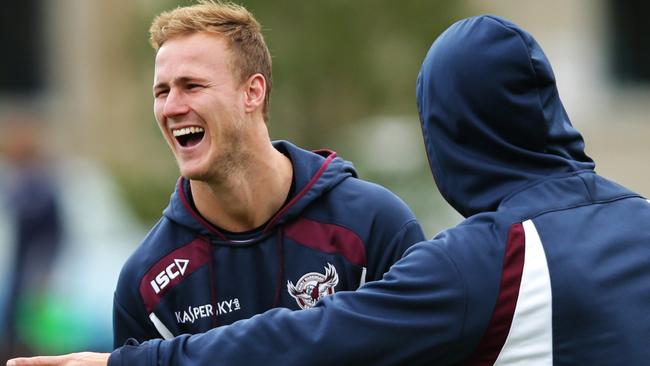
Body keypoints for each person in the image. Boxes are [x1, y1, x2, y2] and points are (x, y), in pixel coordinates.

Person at [10, 13, 650, 366]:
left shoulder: (470, 256)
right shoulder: (148, 280)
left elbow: (320, 338)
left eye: (193, 85)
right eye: (160, 89)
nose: (172, 105)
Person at [1, 114, 63, 359]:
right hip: (23, 268)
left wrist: (44, 272)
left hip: (35, 268)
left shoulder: (39, 184)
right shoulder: (20, 180)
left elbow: (50, 232)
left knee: (33, 331)